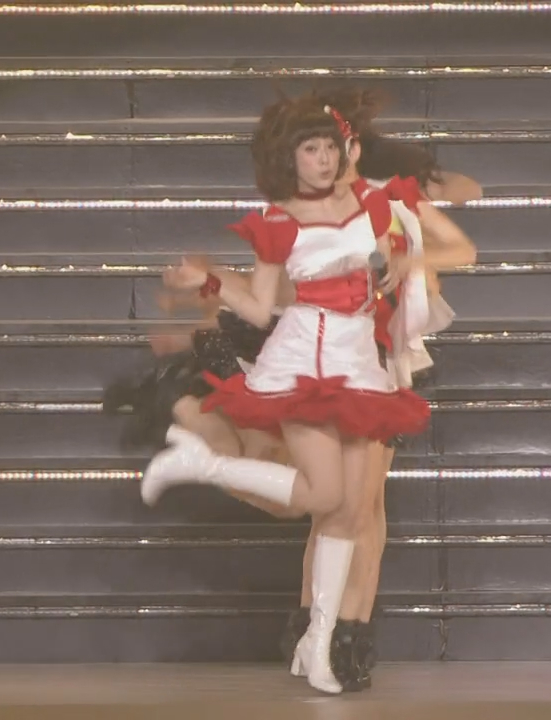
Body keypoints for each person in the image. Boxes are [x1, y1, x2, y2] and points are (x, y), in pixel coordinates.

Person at [138, 90, 473, 695]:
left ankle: (319, 646)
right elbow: (259, 307)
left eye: (329, 147)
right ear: (288, 159)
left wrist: (406, 261)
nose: (323, 158)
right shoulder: (277, 221)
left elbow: (431, 245)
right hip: (302, 367)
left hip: (362, 366)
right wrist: (207, 282)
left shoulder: (373, 201)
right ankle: (205, 465)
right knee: (325, 497)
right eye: (310, 149)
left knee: (347, 513)